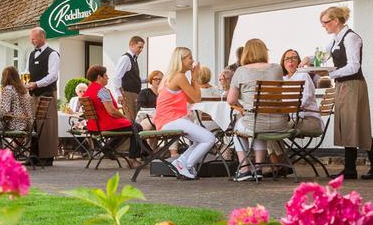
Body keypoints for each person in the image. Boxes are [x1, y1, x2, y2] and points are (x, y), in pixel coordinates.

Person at [318, 6, 373, 180]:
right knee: (349, 125)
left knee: (357, 125)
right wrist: (308, 60)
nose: (323, 26)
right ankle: (351, 169)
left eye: (325, 22)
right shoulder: (335, 40)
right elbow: (321, 56)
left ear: (335, 21)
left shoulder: (351, 38)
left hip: (353, 85)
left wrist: (331, 74)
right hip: (342, 85)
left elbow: (354, 66)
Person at [155, 47, 217, 180]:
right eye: (189, 57)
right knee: (209, 138)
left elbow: (191, 99)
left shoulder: (171, 76)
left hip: (166, 121)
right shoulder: (179, 76)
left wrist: (193, 78)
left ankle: (182, 163)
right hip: (170, 120)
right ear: (181, 60)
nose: (192, 60)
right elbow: (197, 99)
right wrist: (194, 78)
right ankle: (185, 164)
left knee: (199, 141)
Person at [228, 39, 284, 181]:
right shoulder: (277, 68)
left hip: (255, 122)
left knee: (239, 129)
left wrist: (242, 108)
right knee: (257, 125)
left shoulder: (241, 71)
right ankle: (258, 169)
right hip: (279, 123)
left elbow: (231, 100)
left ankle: (245, 169)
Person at [84, 64, 143, 163]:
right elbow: (111, 111)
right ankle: (133, 158)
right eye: (106, 75)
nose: (108, 77)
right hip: (106, 124)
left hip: (94, 125)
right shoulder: (102, 91)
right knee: (137, 127)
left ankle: (108, 148)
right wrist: (125, 118)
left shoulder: (89, 90)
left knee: (129, 128)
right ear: (99, 77)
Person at [26, 27, 60, 165]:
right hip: (33, 94)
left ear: (42, 37)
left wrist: (37, 84)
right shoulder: (31, 54)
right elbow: (26, 72)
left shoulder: (52, 54)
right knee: (33, 124)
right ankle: (33, 155)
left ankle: (47, 157)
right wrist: (25, 84)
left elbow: (53, 76)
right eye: (31, 38)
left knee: (47, 125)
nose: (31, 40)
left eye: (33, 38)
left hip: (47, 94)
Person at [281, 49, 323, 135]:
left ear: (299, 62)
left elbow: (305, 100)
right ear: (283, 63)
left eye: (294, 57)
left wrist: (286, 110)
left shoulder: (303, 75)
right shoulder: (282, 79)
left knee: (270, 128)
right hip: (292, 119)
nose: (290, 60)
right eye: (287, 58)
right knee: (267, 127)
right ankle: (280, 149)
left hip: (310, 121)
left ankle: (279, 149)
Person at [0, 66, 34, 149]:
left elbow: (5, 111)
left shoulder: (8, 89)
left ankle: (2, 155)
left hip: (14, 125)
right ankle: (13, 151)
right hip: (27, 125)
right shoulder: (23, 89)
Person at [110, 36, 145, 121]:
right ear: (132, 45)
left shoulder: (133, 59)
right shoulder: (126, 58)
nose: (141, 50)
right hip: (127, 94)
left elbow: (132, 78)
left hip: (133, 94)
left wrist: (146, 80)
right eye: (139, 47)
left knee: (135, 119)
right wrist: (119, 94)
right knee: (131, 119)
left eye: (142, 48)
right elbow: (117, 77)